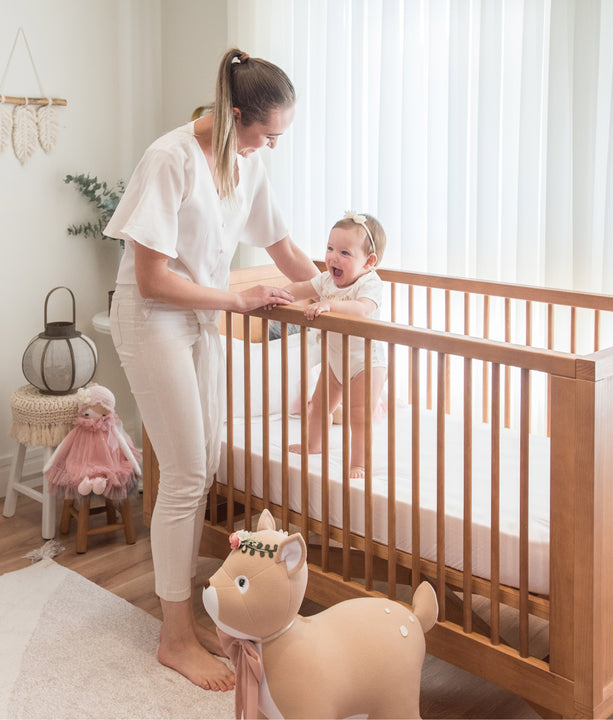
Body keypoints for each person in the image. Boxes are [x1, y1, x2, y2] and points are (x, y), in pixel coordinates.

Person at [105, 48, 319, 692]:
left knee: (206, 465)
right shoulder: (169, 159)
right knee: (187, 470)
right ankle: (173, 638)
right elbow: (151, 280)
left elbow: (283, 250)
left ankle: (184, 616)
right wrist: (237, 298)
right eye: (267, 134)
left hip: (198, 320)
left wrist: (339, 289)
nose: (271, 147)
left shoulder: (245, 164)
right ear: (234, 116)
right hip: (153, 319)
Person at [285, 211, 387, 478]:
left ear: (369, 261)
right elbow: (301, 288)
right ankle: (313, 446)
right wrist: (278, 294)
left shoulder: (370, 284)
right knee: (319, 405)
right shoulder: (327, 280)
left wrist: (331, 304)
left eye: (344, 252)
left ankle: (359, 463)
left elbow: (362, 309)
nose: (333, 257)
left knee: (358, 416)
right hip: (336, 359)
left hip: (365, 363)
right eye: (330, 248)